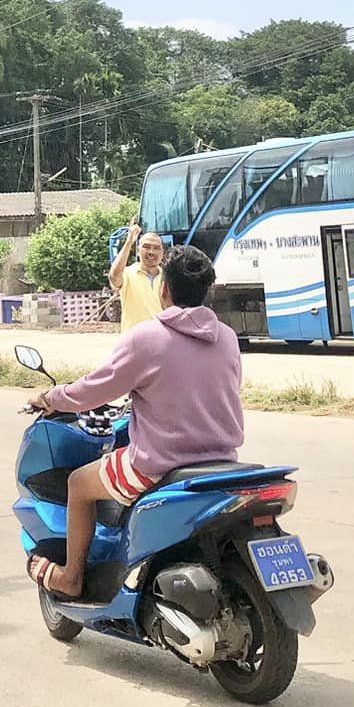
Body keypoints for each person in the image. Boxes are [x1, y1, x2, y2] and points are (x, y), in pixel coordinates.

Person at [26, 245, 244, 599]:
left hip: (158, 464)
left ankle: (70, 577)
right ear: (208, 291)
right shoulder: (228, 337)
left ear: (163, 289)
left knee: (79, 485)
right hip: (222, 462)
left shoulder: (148, 338)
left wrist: (50, 398)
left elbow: (93, 390)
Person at [108, 222, 168, 333]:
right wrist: (129, 242)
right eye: (146, 247)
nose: (151, 252)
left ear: (162, 252)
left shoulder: (168, 277)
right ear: (138, 251)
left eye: (156, 248)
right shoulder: (127, 274)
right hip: (133, 344)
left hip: (161, 343)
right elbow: (114, 277)